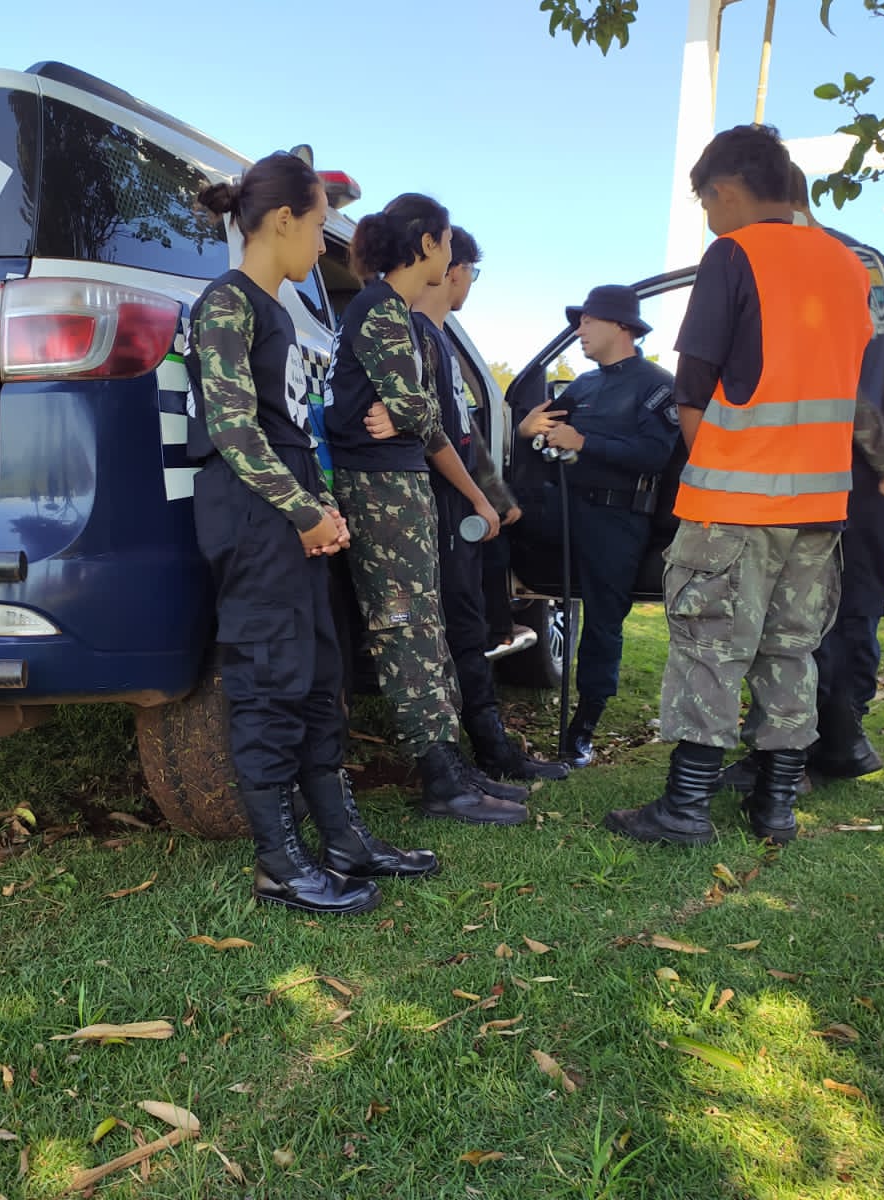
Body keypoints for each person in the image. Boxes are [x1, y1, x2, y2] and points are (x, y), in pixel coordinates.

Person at [602, 124, 873, 847]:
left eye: (706, 204)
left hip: (734, 503)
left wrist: (712, 467)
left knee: (710, 649)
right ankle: (775, 806)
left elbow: (692, 388)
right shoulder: (850, 268)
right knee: (790, 651)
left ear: (724, 190)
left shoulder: (734, 254)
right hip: (818, 509)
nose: (709, 220)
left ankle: (685, 809)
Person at [188, 153, 437, 916]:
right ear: (284, 220)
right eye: (320, 229)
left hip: (294, 523)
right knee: (269, 686)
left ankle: (343, 839)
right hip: (256, 524)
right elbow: (234, 428)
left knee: (320, 679)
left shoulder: (277, 310)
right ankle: (279, 864)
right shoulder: (225, 304)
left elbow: (292, 430)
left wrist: (325, 512)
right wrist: (302, 511)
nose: (323, 247)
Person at [722, 164, 884, 796]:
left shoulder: (839, 258)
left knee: (813, 616)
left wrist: (883, 454)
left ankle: (807, 750)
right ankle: (834, 741)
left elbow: (856, 373)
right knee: (842, 611)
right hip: (866, 468)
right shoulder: (856, 274)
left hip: (852, 472)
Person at [324, 193, 528, 825]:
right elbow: (417, 412)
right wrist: (413, 414)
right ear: (427, 246)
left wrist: (471, 490)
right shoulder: (379, 309)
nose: (452, 255)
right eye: (446, 243)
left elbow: (421, 419)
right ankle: (438, 778)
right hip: (379, 487)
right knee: (404, 625)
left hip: (404, 482)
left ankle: (450, 761)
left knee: (425, 625)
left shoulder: (399, 314)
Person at [411, 228, 570, 782]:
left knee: (468, 627)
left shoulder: (441, 340)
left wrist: (497, 499)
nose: (469, 283)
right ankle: (468, 756)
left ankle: (488, 748)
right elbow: (433, 435)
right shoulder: (415, 336)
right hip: (435, 507)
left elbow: (466, 434)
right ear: (453, 268)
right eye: (471, 272)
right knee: (455, 630)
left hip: (463, 509)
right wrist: (485, 497)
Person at [515, 284, 680, 768]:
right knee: (496, 547)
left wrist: (584, 442)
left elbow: (655, 455)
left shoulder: (656, 385)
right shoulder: (581, 386)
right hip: (565, 512)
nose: (579, 330)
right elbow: (544, 440)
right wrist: (528, 433)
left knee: (603, 626)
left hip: (618, 519)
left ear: (621, 326)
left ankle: (583, 726)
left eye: (587, 321)